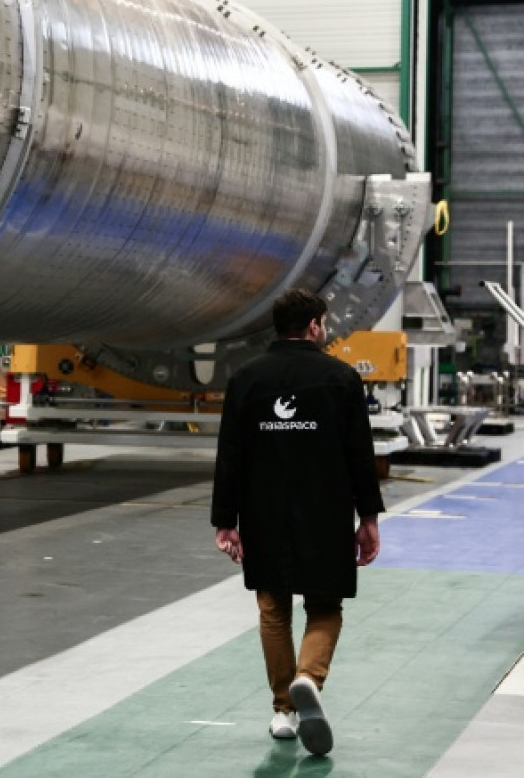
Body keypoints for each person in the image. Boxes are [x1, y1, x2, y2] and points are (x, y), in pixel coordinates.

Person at [211, 288, 384, 757]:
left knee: (273, 610)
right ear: (313, 326)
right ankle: (309, 677)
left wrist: (225, 521)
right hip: (326, 511)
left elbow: (231, 456)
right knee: (324, 607)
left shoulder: (246, 378)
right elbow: (359, 457)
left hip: (263, 511)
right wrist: (367, 517)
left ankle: (284, 711)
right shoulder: (341, 378)